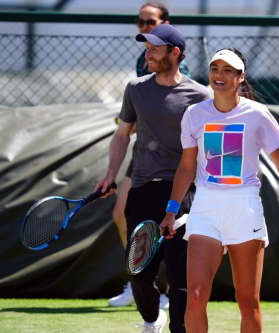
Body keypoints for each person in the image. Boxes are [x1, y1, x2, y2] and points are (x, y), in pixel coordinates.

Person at [160, 48, 279, 332]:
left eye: (228, 70)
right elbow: (186, 167)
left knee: (247, 301)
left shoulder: (257, 114)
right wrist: (171, 210)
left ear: (241, 77)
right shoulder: (194, 115)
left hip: (244, 207)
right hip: (205, 207)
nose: (219, 75)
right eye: (215, 68)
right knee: (194, 297)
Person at [96, 24, 210, 333]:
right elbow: (123, 136)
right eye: (147, 48)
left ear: (175, 53)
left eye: (155, 49)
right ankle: (151, 319)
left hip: (184, 195)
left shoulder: (200, 96)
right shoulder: (135, 88)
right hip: (143, 190)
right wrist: (110, 174)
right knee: (139, 273)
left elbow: (209, 148)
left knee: (180, 276)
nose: (148, 54)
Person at [108, 1, 191, 309]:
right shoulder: (142, 66)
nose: (145, 27)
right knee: (121, 214)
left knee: (176, 244)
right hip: (145, 157)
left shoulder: (188, 82)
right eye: (140, 22)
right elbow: (127, 125)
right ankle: (140, 281)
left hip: (178, 166)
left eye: (151, 22)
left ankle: (168, 291)